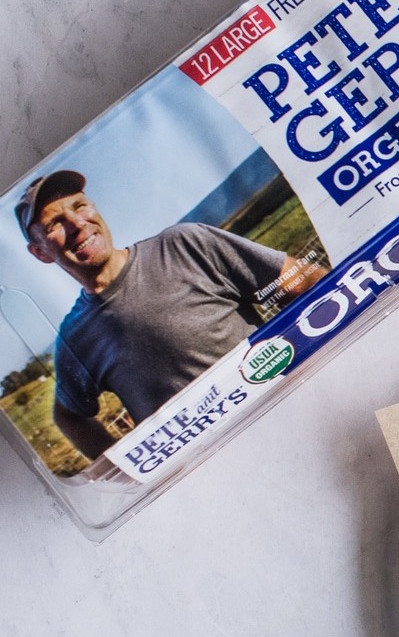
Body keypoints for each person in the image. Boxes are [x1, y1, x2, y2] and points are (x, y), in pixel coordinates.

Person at [15, 169, 323, 459]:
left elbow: (307, 281)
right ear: (40, 251)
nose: (77, 223)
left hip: (292, 415)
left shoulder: (184, 245)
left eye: (80, 206)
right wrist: (129, 473)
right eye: (55, 224)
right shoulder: (75, 338)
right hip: (215, 473)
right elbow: (69, 416)